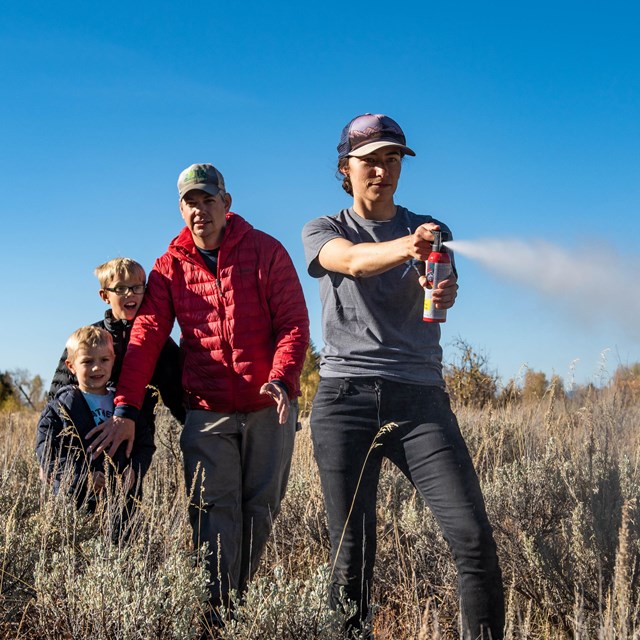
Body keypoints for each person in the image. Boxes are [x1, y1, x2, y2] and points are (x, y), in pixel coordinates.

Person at [301, 113, 504, 639]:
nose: (382, 171)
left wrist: (443, 288)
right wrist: (405, 248)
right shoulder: (324, 228)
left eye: (393, 160)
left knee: (473, 539)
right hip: (344, 399)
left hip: (420, 401)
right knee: (352, 558)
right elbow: (351, 261)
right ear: (346, 167)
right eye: (370, 160)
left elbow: (443, 293)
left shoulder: (431, 230)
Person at [88, 163, 310, 620]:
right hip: (206, 413)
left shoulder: (266, 251)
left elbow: (292, 323)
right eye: (191, 202)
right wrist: (126, 406)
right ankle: (216, 614)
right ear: (181, 209)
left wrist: (283, 378)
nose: (199, 210)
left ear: (226, 204)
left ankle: (240, 607)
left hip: (268, 408)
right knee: (212, 511)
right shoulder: (170, 267)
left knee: (260, 509)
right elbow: (148, 336)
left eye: (208, 200)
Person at [36, 326, 153, 537]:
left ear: (113, 360)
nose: (96, 367)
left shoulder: (123, 406)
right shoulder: (60, 407)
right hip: (76, 503)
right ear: (71, 366)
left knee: (123, 552)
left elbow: (145, 443)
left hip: (122, 503)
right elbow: (47, 451)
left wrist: (135, 470)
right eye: (87, 361)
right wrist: (81, 477)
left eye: (104, 360)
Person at [48, 257, 185, 426]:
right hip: (88, 435)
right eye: (120, 288)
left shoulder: (157, 342)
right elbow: (59, 390)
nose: (130, 293)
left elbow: (176, 394)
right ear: (105, 295)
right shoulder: (87, 339)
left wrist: (192, 427)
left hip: (137, 434)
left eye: (137, 287)